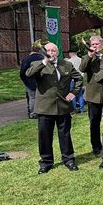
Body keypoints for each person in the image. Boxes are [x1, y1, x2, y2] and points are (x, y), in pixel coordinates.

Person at [25, 42, 83, 174]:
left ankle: (68, 159)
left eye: (54, 50)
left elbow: (79, 79)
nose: (51, 53)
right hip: (45, 107)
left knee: (65, 134)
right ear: (44, 52)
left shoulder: (66, 64)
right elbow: (29, 74)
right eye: (48, 50)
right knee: (45, 135)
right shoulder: (38, 64)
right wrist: (45, 61)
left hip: (63, 106)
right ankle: (46, 162)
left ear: (58, 52)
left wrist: (73, 93)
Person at [79, 36, 103, 155]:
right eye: (93, 44)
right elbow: (82, 68)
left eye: (97, 44)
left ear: (102, 45)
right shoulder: (87, 58)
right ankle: (96, 146)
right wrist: (90, 56)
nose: (95, 46)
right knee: (94, 122)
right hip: (93, 95)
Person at [19, 46, 43, 119]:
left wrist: (25, 81)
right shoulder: (43, 58)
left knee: (32, 98)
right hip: (42, 81)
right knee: (42, 97)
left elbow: (22, 72)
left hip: (30, 82)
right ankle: (42, 112)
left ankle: (33, 114)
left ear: (31, 50)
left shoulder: (26, 59)